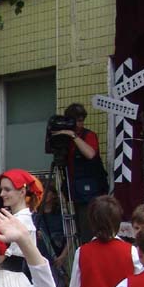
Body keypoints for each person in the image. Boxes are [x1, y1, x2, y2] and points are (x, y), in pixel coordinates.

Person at [52, 103, 106, 242]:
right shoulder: (65, 139)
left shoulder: (88, 135)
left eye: (81, 120)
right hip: (74, 190)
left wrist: (74, 136)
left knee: (88, 229)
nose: (79, 124)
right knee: (79, 229)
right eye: (76, 121)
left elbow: (90, 154)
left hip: (89, 192)